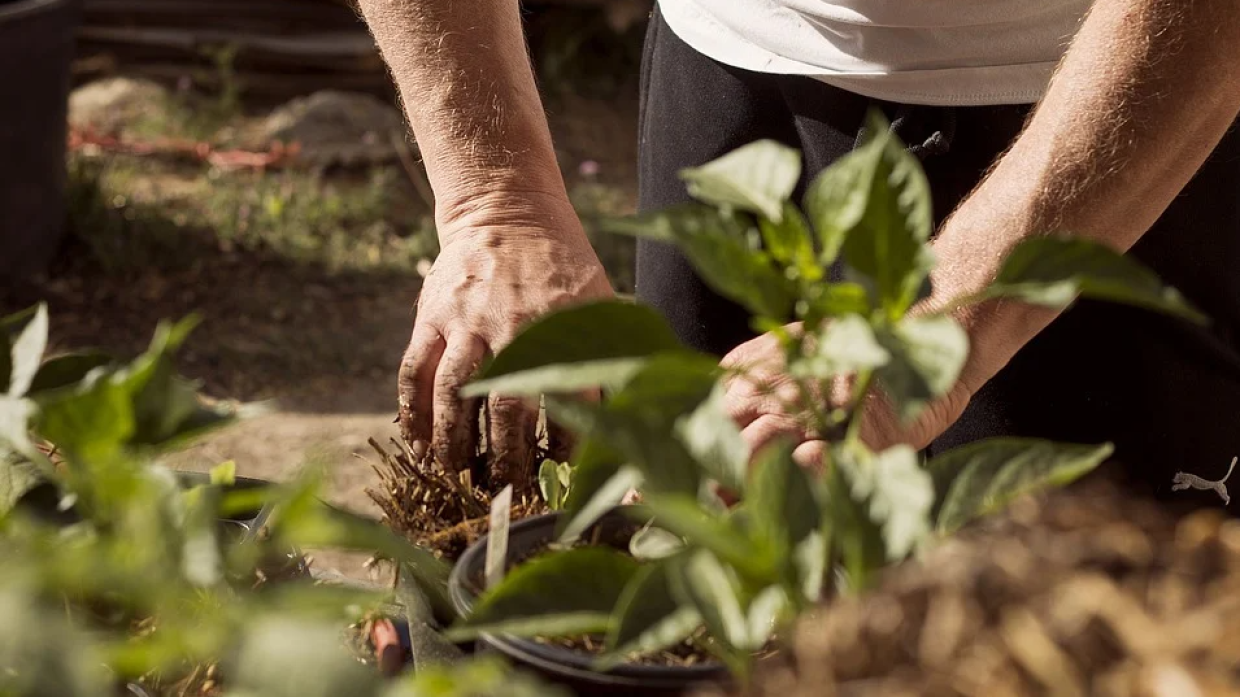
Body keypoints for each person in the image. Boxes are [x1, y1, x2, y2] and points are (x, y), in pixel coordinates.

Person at [356, 0, 1240, 498]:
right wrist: (496, 198)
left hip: (1111, 120)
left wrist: (939, 320)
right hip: (724, 80)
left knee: (1056, 638)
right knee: (702, 589)